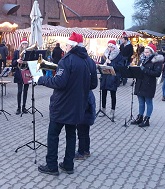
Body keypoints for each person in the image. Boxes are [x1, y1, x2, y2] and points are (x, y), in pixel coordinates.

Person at [36, 32, 97, 175]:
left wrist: (41, 80)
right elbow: (93, 84)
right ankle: (68, 165)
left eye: (67, 44)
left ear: (71, 46)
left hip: (62, 105)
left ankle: (51, 166)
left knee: (53, 135)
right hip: (78, 105)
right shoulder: (88, 61)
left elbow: (59, 82)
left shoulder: (66, 61)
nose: (65, 47)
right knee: (71, 135)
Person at [131, 43, 163, 127]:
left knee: (148, 101)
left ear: (152, 52)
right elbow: (139, 69)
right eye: (145, 52)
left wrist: (144, 70)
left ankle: (147, 119)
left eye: (147, 52)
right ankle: (140, 117)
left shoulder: (156, 61)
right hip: (140, 83)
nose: (145, 54)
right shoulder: (142, 59)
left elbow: (157, 73)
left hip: (149, 84)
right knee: (141, 101)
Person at [99, 40, 123, 120]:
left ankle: (112, 111)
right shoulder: (105, 54)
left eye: (111, 47)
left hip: (113, 77)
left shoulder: (119, 55)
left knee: (113, 94)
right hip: (105, 76)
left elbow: (120, 67)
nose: (110, 49)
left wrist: (111, 63)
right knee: (104, 93)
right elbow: (101, 63)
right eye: (108, 47)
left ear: (114, 47)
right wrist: (103, 64)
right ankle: (103, 110)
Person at [11, 38, 30, 115]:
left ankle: (24, 107)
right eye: (23, 44)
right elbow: (13, 63)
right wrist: (17, 61)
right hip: (19, 73)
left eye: (26, 44)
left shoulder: (29, 52)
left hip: (26, 73)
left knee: (25, 91)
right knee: (19, 91)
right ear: (21, 44)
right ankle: (18, 107)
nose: (24, 45)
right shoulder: (16, 52)